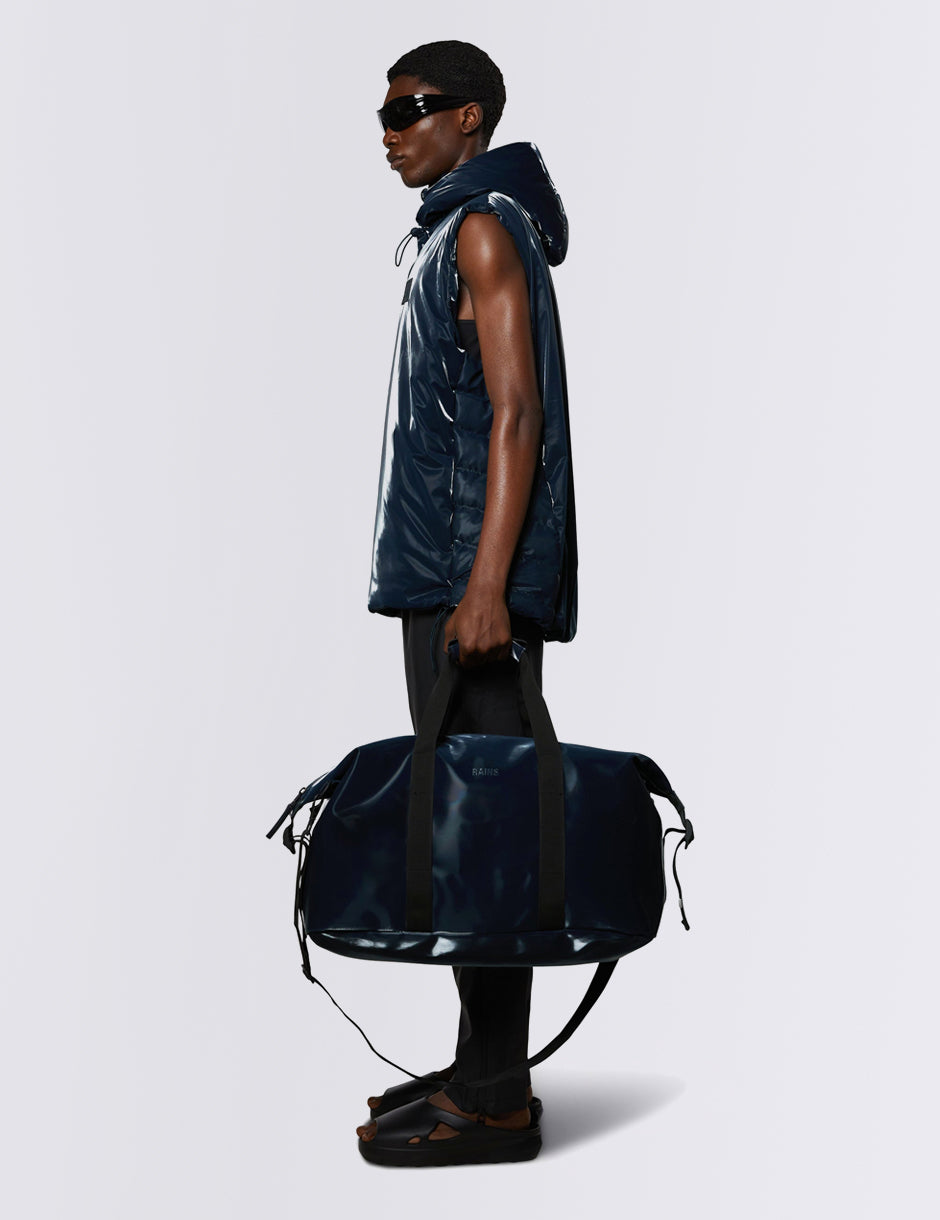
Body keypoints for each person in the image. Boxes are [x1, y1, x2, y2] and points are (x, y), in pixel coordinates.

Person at [356, 39, 578, 1167]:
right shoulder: (448, 231)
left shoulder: (484, 228)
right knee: (461, 827)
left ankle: (497, 1099)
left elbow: (516, 412)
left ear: (471, 118)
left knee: (486, 833)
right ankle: (480, 1064)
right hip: (442, 575)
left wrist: (488, 584)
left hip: (467, 585)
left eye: (412, 108)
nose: (391, 129)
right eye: (385, 113)